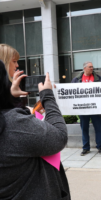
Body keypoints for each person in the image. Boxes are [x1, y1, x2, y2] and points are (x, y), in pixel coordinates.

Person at [0, 60, 70, 200]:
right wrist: (48, 96)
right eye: (14, 61)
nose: (17, 65)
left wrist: (12, 98)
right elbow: (59, 136)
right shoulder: (14, 124)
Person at [71, 61, 101, 156]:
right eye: (90, 67)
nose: (92, 68)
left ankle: (100, 147)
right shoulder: (77, 79)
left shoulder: (98, 78)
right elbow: (69, 89)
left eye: (92, 67)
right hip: (83, 109)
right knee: (84, 129)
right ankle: (86, 148)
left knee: (98, 128)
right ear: (84, 68)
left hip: (95, 108)